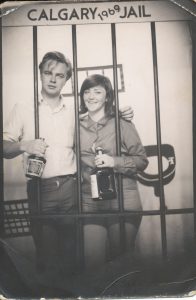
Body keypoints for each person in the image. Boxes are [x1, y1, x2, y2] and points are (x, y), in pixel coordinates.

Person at [3, 51, 134, 278]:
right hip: (40, 189)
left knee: (75, 258)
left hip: (72, 189)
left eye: (60, 75)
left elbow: (101, 118)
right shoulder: (23, 107)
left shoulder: (76, 110)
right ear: (40, 74)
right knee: (48, 259)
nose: (53, 79)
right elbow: (4, 147)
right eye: (48, 73)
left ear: (67, 80)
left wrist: (120, 112)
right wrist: (25, 145)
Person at [79, 74, 148, 270]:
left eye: (97, 91)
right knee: (92, 263)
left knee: (122, 263)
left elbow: (142, 161)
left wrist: (113, 162)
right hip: (90, 203)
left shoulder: (122, 122)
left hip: (123, 202)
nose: (91, 96)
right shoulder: (77, 126)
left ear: (107, 97)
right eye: (87, 91)